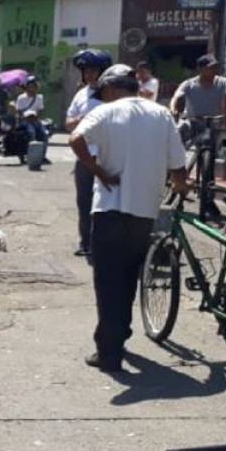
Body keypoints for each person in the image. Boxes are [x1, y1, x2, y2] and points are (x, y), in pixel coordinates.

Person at [71, 65, 188, 373]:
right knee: (128, 277)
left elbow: (75, 139)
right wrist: (178, 185)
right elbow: (178, 164)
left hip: (109, 209)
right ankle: (118, 337)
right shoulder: (161, 114)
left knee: (108, 282)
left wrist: (98, 172)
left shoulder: (106, 112)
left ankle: (110, 352)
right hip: (143, 213)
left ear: (111, 89)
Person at [66, 49, 114, 257]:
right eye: (86, 71)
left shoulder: (112, 93)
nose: (90, 75)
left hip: (108, 154)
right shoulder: (80, 94)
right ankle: (86, 243)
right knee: (84, 200)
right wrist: (81, 119)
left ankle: (106, 244)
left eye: (94, 71)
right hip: (84, 156)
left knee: (107, 201)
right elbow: (68, 123)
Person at [172, 54, 226, 120]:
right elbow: (176, 97)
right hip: (192, 123)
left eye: (215, 67)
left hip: (214, 122)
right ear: (200, 69)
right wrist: (173, 109)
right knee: (181, 128)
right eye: (210, 68)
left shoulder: (223, 82)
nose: (214, 70)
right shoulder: (188, 84)